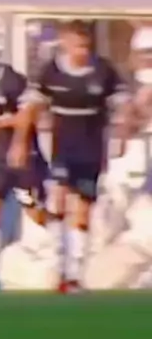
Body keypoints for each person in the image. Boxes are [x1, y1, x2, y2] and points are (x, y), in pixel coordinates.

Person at [8, 19, 133, 293]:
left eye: (86, 46)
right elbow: (30, 107)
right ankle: (58, 264)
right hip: (62, 145)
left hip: (92, 148)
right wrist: (20, 141)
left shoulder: (103, 71)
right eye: (77, 46)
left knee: (83, 208)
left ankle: (74, 273)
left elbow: (124, 104)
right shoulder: (52, 72)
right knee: (58, 199)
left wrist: (122, 133)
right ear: (64, 44)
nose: (82, 51)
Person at [0, 31, 49, 291]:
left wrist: (18, 142)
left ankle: (57, 256)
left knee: (34, 209)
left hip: (24, 153)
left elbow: (28, 115)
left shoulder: (13, 80)